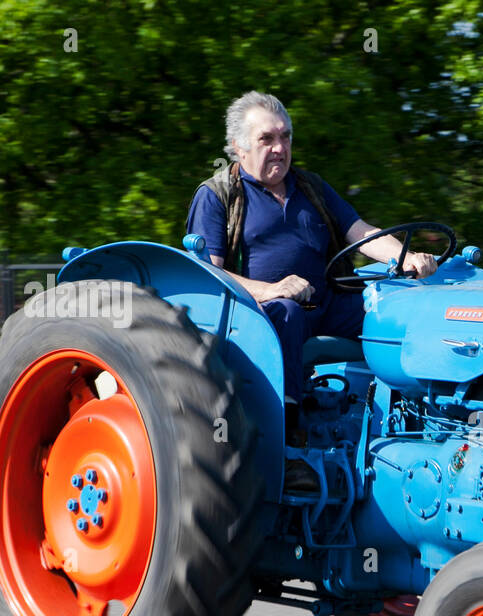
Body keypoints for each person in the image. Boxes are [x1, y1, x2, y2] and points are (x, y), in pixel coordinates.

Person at [186, 90, 438, 491]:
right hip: (260, 315)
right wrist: (271, 289)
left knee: (393, 309)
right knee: (287, 311)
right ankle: (288, 448)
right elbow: (209, 276)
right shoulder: (217, 196)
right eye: (267, 139)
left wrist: (407, 256)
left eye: (285, 137)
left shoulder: (312, 189)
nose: (279, 148)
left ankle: (426, 418)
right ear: (239, 147)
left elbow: (363, 234)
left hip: (327, 303)